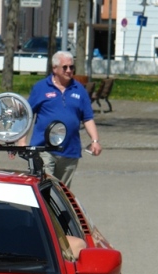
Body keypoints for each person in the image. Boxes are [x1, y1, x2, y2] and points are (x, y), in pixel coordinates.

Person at [26, 51, 102, 188]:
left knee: (62, 193)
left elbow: (88, 118)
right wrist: (21, 141)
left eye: (71, 67)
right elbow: (27, 116)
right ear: (54, 68)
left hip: (69, 150)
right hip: (44, 149)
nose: (69, 70)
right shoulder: (40, 88)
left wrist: (95, 141)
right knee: (45, 188)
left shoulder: (79, 89)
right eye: (65, 67)